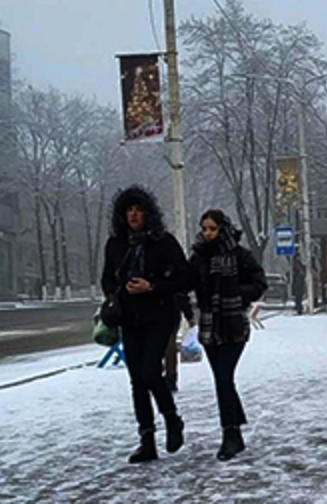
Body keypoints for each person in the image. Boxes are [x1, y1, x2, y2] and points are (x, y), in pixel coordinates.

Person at [100, 185, 192, 464]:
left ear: (148, 213)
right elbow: (106, 278)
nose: (134, 215)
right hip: (130, 317)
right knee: (136, 380)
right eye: (129, 210)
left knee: (151, 372)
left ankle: (172, 420)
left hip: (160, 315)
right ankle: (147, 440)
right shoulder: (116, 244)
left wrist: (152, 286)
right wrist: (117, 293)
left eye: (139, 210)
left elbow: (184, 280)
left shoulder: (163, 242)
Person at [188, 209, 268, 461]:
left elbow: (259, 283)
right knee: (223, 379)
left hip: (234, 325)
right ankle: (236, 425)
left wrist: (237, 292)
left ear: (222, 229)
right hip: (210, 326)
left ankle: (230, 435)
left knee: (224, 378)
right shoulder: (198, 257)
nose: (208, 233)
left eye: (212, 228)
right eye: (204, 228)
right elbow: (185, 281)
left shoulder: (240, 255)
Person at [163, 292, 194, 393]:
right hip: (171, 310)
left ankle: (166, 376)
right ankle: (170, 376)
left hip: (163, 312)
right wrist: (188, 313)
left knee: (166, 346)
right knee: (170, 345)